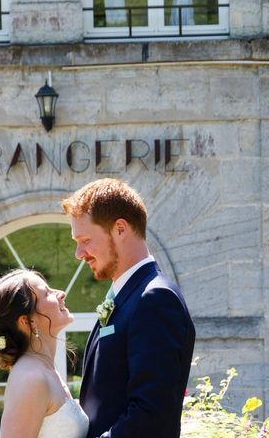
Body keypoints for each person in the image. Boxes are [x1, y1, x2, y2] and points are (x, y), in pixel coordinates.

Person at [61, 178, 195, 438]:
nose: (79, 253)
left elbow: (152, 414)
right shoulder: (127, 295)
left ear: (120, 229)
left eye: (85, 240)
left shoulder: (155, 298)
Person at [0, 269, 89, 438]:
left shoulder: (44, 370)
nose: (61, 294)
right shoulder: (30, 377)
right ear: (27, 321)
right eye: (47, 293)